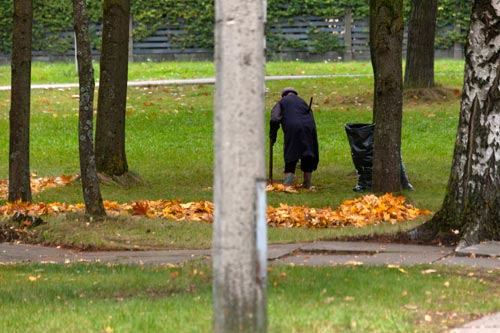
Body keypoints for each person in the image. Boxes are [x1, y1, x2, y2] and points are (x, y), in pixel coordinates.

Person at [269, 87, 319, 189]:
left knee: (291, 154)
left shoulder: (282, 102)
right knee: (307, 154)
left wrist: (272, 135)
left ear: (283, 95)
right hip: (309, 128)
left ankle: (287, 184)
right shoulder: (303, 102)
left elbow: (274, 119)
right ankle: (307, 184)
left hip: (293, 128)